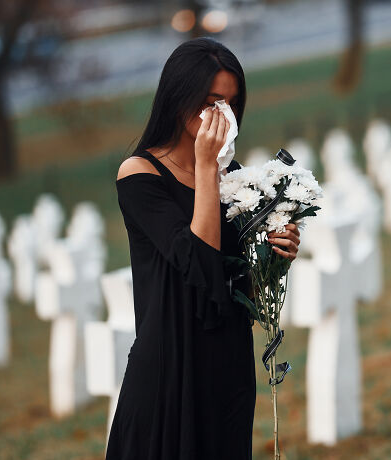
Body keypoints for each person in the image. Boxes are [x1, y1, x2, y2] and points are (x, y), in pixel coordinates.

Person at [108, 37, 301, 459]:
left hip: (226, 359)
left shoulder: (231, 175)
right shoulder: (140, 174)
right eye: (213, 102)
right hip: (170, 365)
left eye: (232, 103)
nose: (224, 116)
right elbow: (196, 261)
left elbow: (235, 282)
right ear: (181, 100)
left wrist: (275, 254)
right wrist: (207, 167)